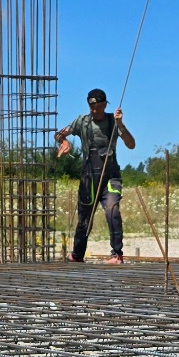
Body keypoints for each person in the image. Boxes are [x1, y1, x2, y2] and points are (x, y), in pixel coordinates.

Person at [56, 88, 136, 264]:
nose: (95, 111)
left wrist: (121, 125)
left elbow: (131, 145)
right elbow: (59, 134)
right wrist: (64, 141)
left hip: (111, 176)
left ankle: (117, 254)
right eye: (92, 108)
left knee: (112, 209)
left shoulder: (113, 122)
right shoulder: (81, 122)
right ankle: (77, 255)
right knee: (85, 217)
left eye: (98, 107)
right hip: (89, 177)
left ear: (105, 105)